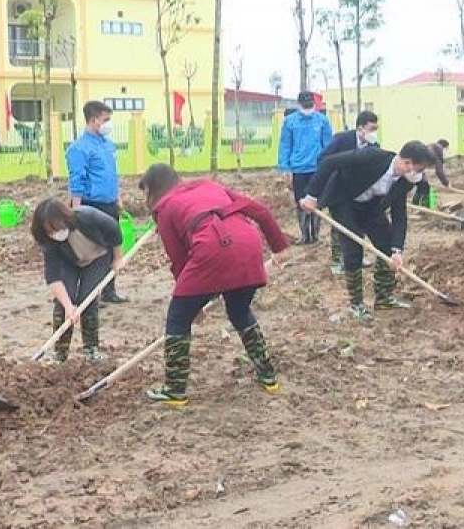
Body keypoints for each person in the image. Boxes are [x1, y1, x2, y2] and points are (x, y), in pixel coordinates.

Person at [138, 164, 289, 407]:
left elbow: (179, 260)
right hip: (249, 245)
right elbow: (260, 211)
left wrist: (190, 302)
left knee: (178, 318)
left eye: (145, 192)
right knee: (240, 311)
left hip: (214, 247)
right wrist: (279, 248)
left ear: (153, 189)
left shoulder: (165, 208)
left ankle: (175, 390)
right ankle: (267, 375)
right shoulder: (210, 185)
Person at [300, 141, 432, 321]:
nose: (416, 174)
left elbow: (400, 215)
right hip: (344, 200)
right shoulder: (373, 156)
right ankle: (357, 305)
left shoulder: (405, 181)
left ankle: (384, 298)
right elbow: (329, 162)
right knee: (354, 248)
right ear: (406, 163)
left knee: (386, 245)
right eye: (416, 169)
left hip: (371, 207)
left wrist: (397, 250)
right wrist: (311, 196)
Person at [29, 198, 124, 364]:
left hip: (98, 257)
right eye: (50, 231)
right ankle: (60, 353)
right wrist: (68, 307)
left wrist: (117, 258)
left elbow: (114, 230)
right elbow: (53, 276)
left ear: (65, 219)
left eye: (57, 228)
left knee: (88, 299)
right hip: (70, 263)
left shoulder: (87, 216)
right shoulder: (49, 242)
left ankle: (91, 349)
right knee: (63, 303)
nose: (55, 233)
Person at [66, 100, 127, 304]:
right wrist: (76, 210)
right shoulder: (79, 148)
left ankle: (109, 290)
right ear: (93, 121)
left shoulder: (108, 145)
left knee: (112, 248)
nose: (108, 124)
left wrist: (117, 197)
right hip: (92, 206)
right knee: (94, 251)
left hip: (109, 203)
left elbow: (112, 174)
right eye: (105, 120)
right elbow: (77, 179)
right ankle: (91, 294)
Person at [318, 110, 379, 273]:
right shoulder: (341, 139)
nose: (374, 133)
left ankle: (355, 257)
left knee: (357, 225)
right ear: (360, 128)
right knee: (340, 227)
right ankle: (338, 260)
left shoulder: (374, 146)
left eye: (376, 129)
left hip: (358, 193)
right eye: (371, 128)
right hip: (337, 191)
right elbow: (323, 159)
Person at [278, 91, 332, 246]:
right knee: (300, 202)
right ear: (299, 104)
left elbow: (328, 145)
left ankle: (315, 235)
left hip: (318, 168)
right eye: (305, 105)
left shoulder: (322, 121)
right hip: (298, 169)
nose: (308, 108)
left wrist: (328, 166)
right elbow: (285, 145)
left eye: (310, 105)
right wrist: (285, 168)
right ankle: (304, 235)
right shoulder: (290, 122)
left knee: (317, 201)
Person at [413, 139, 451, 207]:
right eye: (447, 149)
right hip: (417, 168)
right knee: (425, 187)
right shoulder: (438, 150)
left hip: (415, 166)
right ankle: (424, 207)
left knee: (421, 185)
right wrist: (446, 183)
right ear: (444, 147)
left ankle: (415, 204)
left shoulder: (431, 146)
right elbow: (439, 171)